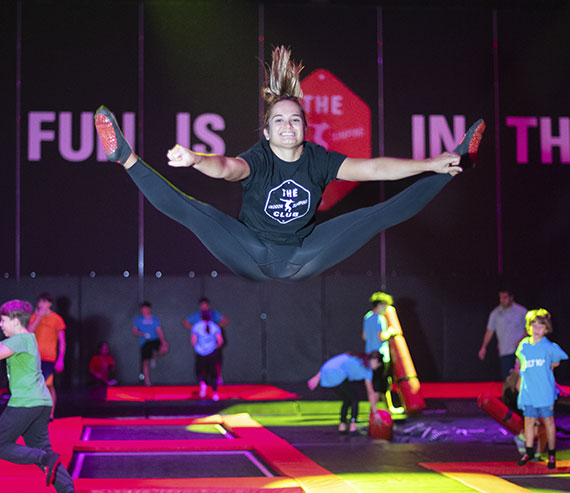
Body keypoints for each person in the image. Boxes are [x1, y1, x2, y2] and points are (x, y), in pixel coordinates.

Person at [94, 46, 485, 282]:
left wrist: (430, 162)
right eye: (278, 120)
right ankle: (126, 158)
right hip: (251, 252)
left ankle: (450, 168)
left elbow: (375, 169)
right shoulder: (259, 158)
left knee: (376, 214)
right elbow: (228, 168)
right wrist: (196, 159)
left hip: (304, 254)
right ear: (266, 131)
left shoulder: (318, 158)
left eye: (294, 119)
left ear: (304, 128)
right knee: (197, 211)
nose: (287, 124)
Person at [0, 300, 74, 492]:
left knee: (3, 444)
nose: (1, 325)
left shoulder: (18, 339)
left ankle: (41, 457)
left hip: (26, 402)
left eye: (3, 320)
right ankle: (67, 489)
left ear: (16, 321)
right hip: (41, 402)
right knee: (44, 449)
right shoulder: (29, 338)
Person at [515, 308, 567, 469]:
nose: (537, 330)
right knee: (529, 421)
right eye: (534, 326)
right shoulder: (524, 345)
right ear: (529, 327)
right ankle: (528, 451)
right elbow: (521, 364)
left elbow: (558, 359)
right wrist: (519, 380)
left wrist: (553, 364)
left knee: (548, 421)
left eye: (541, 326)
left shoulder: (549, 347)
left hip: (543, 391)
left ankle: (552, 453)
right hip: (528, 391)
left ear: (546, 329)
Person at [307, 351, 382, 434]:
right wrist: (375, 412)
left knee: (347, 399)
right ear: (375, 360)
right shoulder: (368, 369)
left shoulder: (354, 357)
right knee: (355, 399)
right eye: (378, 365)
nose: (377, 368)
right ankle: (353, 426)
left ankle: (342, 425)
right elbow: (370, 392)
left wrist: (318, 376)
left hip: (326, 374)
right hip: (337, 374)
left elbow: (333, 362)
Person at [27, 292, 66, 420]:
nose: (41, 304)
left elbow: (62, 341)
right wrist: (38, 317)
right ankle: (36, 412)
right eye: (40, 302)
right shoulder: (34, 317)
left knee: (48, 385)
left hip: (49, 357)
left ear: (50, 304)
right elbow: (28, 332)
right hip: (35, 356)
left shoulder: (57, 319)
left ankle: (50, 413)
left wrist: (61, 359)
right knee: (35, 385)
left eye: (44, 302)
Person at [478, 289, 528, 380]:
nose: (502, 300)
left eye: (505, 297)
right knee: (508, 379)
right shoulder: (495, 313)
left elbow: (529, 329)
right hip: (505, 351)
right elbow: (490, 330)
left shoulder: (521, 311)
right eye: (500, 297)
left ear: (511, 298)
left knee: (522, 378)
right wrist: (483, 346)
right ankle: (508, 394)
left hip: (521, 351)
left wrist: (521, 340)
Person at [362, 292, 398, 409]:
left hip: (370, 355)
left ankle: (380, 408)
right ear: (380, 305)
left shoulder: (367, 316)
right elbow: (381, 337)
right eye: (385, 305)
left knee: (375, 383)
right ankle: (383, 409)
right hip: (381, 355)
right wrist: (391, 331)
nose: (386, 308)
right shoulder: (380, 319)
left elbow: (364, 336)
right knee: (382, 383)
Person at [184, 297, 229, 386]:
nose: (204, 307)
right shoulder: (197, 324)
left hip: (212, 347)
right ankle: (203, 384)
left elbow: (224, 323)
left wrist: (216, 330)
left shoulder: (214, 324)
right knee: (201, 367)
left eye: (205, 305)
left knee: (214, 365)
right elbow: (187, 326)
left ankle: (216, 380)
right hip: (201, 349)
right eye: (202, 305)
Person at [132, 301, 168, 386]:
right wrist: (142, 334)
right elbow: (134, 331)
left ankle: (154, 357)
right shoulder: (138, 319)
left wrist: (163, 341)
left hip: (154, 340)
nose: (144, 310)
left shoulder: (154, 319)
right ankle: (147, 381)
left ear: (149, 309)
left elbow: (159, 331)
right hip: (145, 342)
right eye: (143, 309)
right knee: (145, 362)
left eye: (146, 308)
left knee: (165, 349)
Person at [191, 311, 223, 401]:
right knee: (213, 373)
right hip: (211, 352)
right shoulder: (214, 326)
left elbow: (193, 341)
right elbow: (220, 341)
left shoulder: (196, 326)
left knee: (199, 372)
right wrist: (214, 348)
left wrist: (199, 348)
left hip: (200, 352)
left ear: (201, 317)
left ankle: (202, 383)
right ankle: (215, 393)